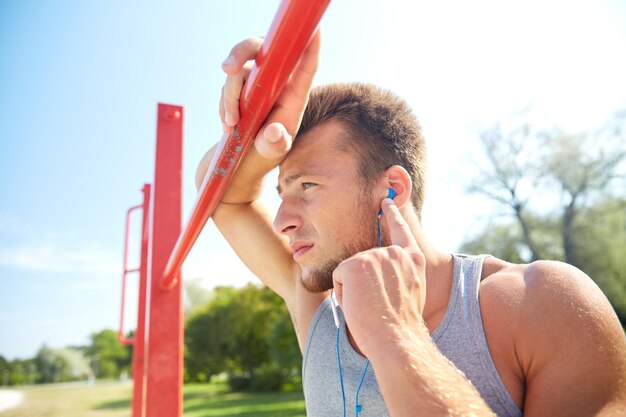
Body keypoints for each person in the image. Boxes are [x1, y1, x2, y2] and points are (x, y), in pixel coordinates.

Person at [197, 32, 626, 416]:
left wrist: (398, 336)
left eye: (307, 186)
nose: (282, 221)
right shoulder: (318, 308)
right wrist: (262, 133)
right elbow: (220, 193)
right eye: (281, 194)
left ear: (392, 191)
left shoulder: (544, 303)